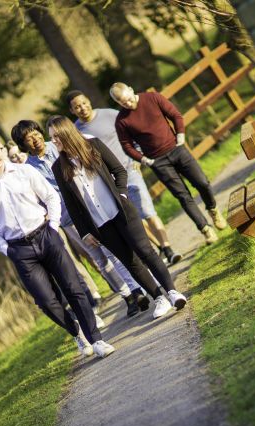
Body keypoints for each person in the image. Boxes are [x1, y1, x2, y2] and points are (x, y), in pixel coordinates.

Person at [0, 132, 115, 358]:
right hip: (19, 249)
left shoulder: (24, 171)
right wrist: (6, 249)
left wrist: (54, 226)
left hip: (46, 235)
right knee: (46, 302)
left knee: (74, 289)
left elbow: (50, 197)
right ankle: (76, 331)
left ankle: (96, 340)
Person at [47, 116, 188, 320]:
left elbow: (119, 171)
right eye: (51, 137)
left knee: (146, 251)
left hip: (122, 211)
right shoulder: (58, 168)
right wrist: (85, 232)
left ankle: (172, 292)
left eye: (56, 136)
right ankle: (159, 298)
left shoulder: (93, 145)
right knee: (130, 262)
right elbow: (71, 205)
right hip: (100, 225)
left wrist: (122, 195)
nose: (53, 141)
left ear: (66, 132)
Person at [11, 120, 149, 318]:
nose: (35, 139)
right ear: (23, 144)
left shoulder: (59, 146)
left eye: (36, 133)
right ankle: (126, 294)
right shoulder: (28, 169)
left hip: (91, 208)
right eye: (28, 138)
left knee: (111, 251)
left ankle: (136, 289)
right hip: (69, 218)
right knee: (99, 258)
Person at [66, 89, 182, 265]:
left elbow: (132, 132)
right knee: (132, 217)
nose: (82, 108)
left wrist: (137, 156)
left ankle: (169, 249)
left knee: (147, 211)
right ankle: (159, 248)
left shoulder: (110, 115)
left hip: (129, 170)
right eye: (77, 107)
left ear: (88, 100)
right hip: (108, 181)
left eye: (83, 103)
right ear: (72, 110)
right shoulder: (76, 131)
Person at [110, 82, 228, 245]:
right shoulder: (122, 121)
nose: (129, 104)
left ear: (131, 90)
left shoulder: (153, 98)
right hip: (158, 162)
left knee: (202, 182)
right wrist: (144, 160)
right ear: (118, 103)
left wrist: (180, 135)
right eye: (124, 103)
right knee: (183, 195)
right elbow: (127, 146)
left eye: (129, 99)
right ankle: (205, 229)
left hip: (177, 149)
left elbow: (175, 115)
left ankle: (212, 209)